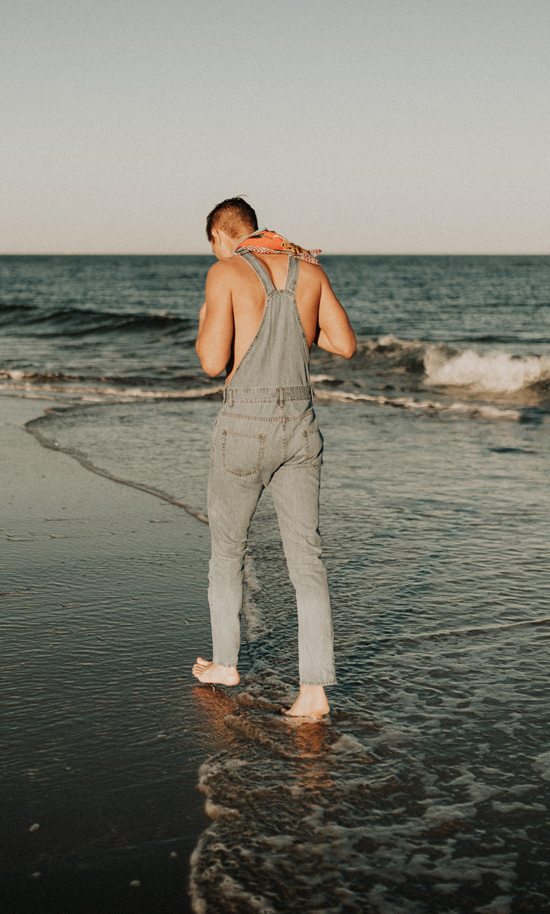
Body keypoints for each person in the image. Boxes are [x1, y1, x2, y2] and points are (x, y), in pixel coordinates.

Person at [191, 197, 357, 719]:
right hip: (300, 428)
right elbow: (343, 344)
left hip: (245, 426)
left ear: (222, 235)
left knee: (227, 551)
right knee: (307, 561)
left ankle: (225, 663)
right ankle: (313, 693)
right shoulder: (309, 269)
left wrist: (209, 317)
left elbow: (213, 362)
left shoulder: (225, 271)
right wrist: (295, 326)